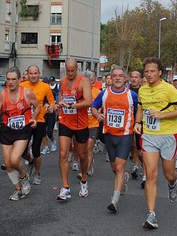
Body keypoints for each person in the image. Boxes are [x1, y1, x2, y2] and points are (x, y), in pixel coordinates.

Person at [134, 57, 177, 229]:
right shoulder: (142, 90)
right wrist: (137, 123)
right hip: (149, 136)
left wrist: (162, 115)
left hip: (168, 136)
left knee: (168, 174)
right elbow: (141, 107)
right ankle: (151, 215)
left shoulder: (169, 89)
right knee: (150, 175)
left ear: (160, 72)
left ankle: (172, 183)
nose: (148, 75)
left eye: (152, 71)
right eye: (146, 72)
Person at [0, 67, 39, 200]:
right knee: (8, 163)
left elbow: (38, 105)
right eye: (8, 79)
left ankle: (23, 177)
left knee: (14, 159)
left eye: (13, 79)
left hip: (23, 129)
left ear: (19, 80)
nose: (10, 82)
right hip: (7, 129)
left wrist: (34, 118)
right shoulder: (3, 94)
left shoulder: (27, 93)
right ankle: (18, 189)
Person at [91, 66, 138, 213]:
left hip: (125, 135)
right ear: (111, 78)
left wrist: (137, 125)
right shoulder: (104, 94)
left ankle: (114, 200)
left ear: (125, 79)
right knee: (114, 168)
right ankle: (122, 178)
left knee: (119, 166)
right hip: (109, 135)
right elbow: (93, 107)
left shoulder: (132, 95)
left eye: (120, 76)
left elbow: (139, 111)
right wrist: (97, 116)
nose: (117, 78)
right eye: (114, 76)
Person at [56, 58, 93, 201]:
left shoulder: (84, 81)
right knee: (63, 153)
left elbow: (88, 101)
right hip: (65, 121)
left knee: (82, 155)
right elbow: (61, 98)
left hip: (81, 123)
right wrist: (58, 105)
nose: (70, 73)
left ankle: (84, 180)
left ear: (77, 68)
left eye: (72, 70)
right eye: (68, 70)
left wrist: (72, 106)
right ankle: (65, 187)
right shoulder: (63, 81)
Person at [20, 65, 56, 185]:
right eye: (31, 73)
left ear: (39, 74)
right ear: (27, 74)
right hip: (25, 121)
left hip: (39, 121)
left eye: (35, 73)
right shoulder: (22, 86)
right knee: (22, 150)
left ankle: (37, 173)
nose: (33, 76)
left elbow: (52, 102)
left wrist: (51, 108)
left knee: (36, 149)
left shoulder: (45, 87)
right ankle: (30, 162)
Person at [128, 70, 145, 184]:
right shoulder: (126, 90)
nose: (134, 79)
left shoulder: (143, 91)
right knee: (132, 145)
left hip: (140, 122)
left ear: (140, 79)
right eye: (132, 77)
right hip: (128, 121)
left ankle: (142, 166)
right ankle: (136, 164)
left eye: (136, 77)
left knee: (139, 149)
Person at [41, 76, 60, 154]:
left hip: (51, 114)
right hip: (42, 114)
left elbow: (55, 104)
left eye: (46, 83)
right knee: (42, 132)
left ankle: (53, 141)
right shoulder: (40, 92)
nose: (45, 85)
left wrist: (55, 112)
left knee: (49, 133)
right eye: (43, 83)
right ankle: (46, 147)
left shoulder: (52, 92)